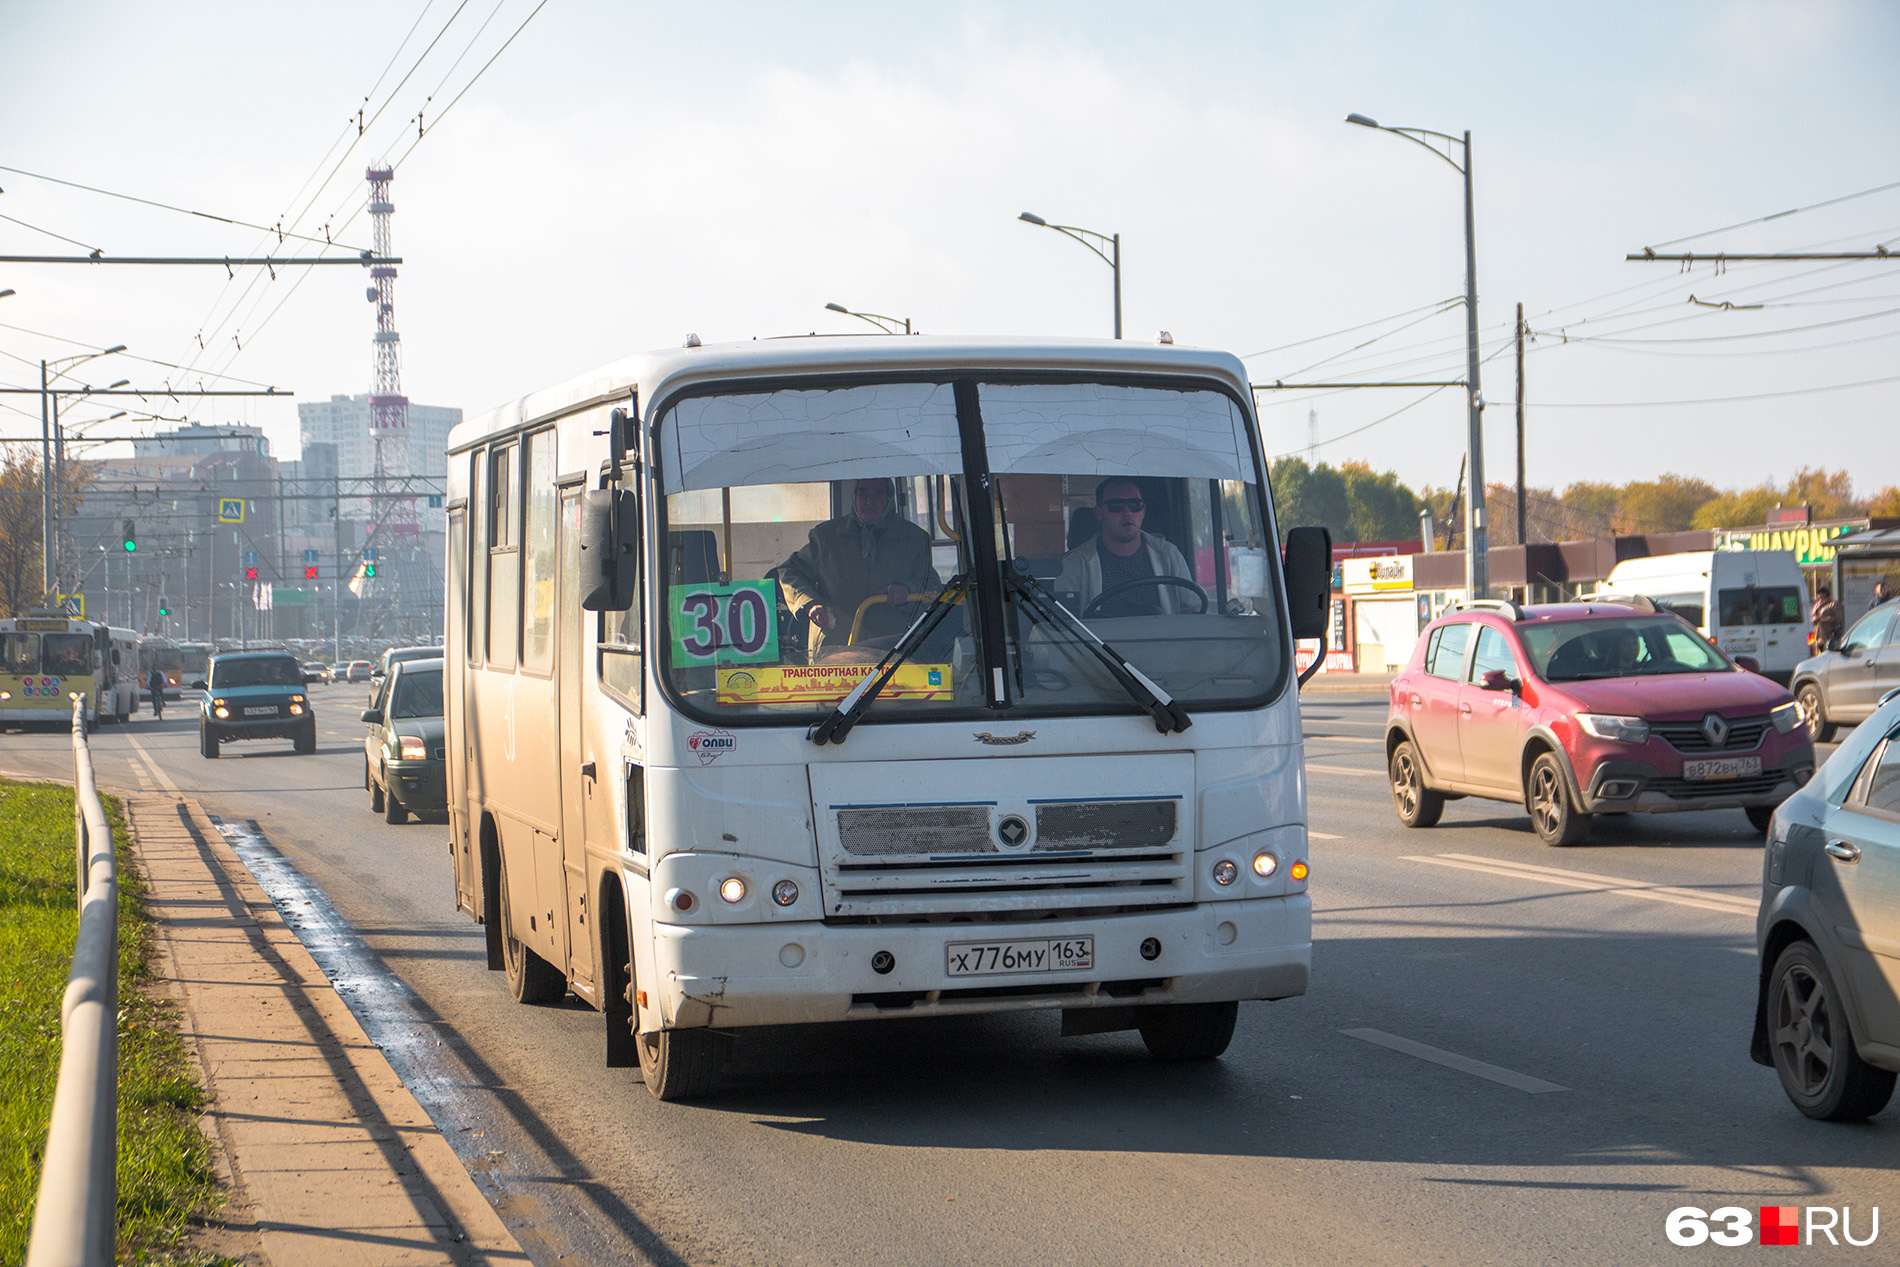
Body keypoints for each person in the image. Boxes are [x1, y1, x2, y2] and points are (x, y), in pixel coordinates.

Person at [776, 477, 939, 658]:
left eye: (878, 494)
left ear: (889, 498)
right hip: (835, 651)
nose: (869, 500)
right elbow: (789, 572)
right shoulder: (825, 537)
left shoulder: (915, 539)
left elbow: (932, 587)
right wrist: (810, 604)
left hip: (895, 652)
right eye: (863, 493)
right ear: (854, 497)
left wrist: (907, 590)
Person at [1055, 478, 1194, 617]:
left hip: (1163, 637)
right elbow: (1064, 624)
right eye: (1116, 505)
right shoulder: (1075, 564)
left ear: (1143, 511)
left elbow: (1193, 612)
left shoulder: (1168, 555)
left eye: (1135, 505)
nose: (1127, 512)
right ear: (1099, 513)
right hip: (1099, 639)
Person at [1811, 585, 1843, 652]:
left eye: (1821, 593)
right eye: (1818, 593)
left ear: (1826, 594)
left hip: (1828, 633)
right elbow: (1812, 616)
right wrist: (1814, 619)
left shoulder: (1833, 604)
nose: (1819, 595)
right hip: (1817, 633)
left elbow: (1838, 618)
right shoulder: (1816, 605)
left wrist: (1822, 619)